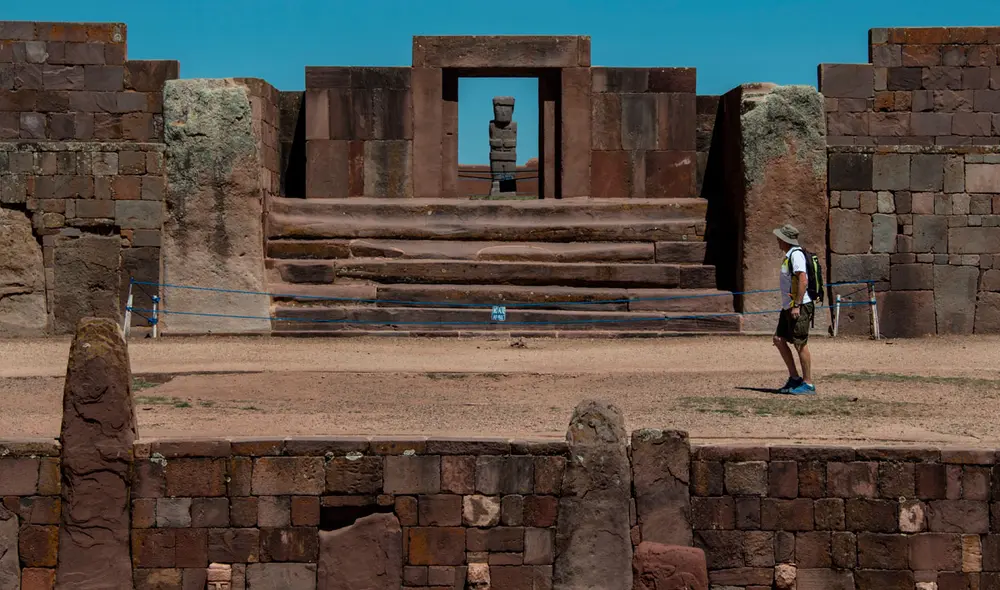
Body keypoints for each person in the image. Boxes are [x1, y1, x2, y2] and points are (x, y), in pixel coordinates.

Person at [772, 224, 816, 395]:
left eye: (780, 238)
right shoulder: (789, 255)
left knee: (800, 343)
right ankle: (795, 378)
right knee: (778, 339)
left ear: (785, 240)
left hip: (799, 306)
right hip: (789, 306)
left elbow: (803, 280)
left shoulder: (796, 255)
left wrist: (797, 305)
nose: (777, 241)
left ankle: (808, 383)